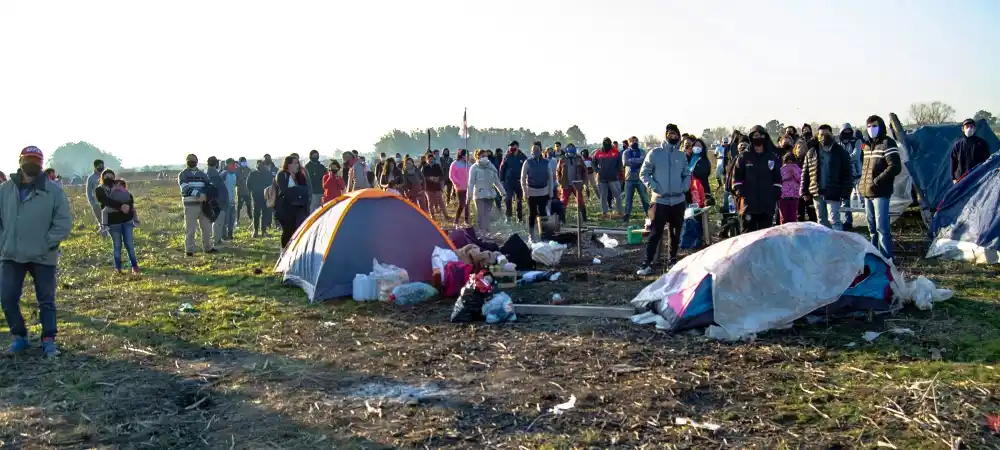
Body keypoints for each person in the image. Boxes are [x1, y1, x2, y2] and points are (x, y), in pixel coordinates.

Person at [0, 146, 72, 357]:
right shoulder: (5, 190)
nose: (31, 163)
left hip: (43, 255)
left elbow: (63, 223)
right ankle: (19, 337)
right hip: (11, 254)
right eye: (27, 159)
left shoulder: (54, 192)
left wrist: (45, 243)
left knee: (46, 301)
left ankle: (48, 340)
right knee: (7, 297)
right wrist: (3, 242)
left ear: (42, 164)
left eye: (36, 160)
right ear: (20, 161)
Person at [637, 124, 690, 275]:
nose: (674, 137)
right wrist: (655, 187)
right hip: (660, 201)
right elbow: (644, 173)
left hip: (678, 201)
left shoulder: (681, 156)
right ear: (666, 135)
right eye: (671, 134)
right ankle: (647, 263)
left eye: (676, 135)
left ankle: (672, 260)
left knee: (675, 233)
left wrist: (684, 187)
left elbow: (687, 174)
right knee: (655, 233)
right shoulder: (655, 153)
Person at [861, 115, 902, 262]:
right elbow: (866, 168)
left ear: (881, 127)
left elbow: (895, 166)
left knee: (882, 229)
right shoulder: (866, 146)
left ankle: (887, 260)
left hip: (881, 192)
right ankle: (874, 259)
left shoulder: (887, 143)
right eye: (869, 126)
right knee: (872, 229)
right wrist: (862, 184)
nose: (871, 129)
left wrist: (877, 181)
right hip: (867, 192)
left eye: (874, 126)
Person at [800, 124, 853, 230]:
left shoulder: (840, 152)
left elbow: (847, 173)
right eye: (821, 134)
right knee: (821, 222)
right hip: (817, 192)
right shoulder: (811, 152)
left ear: (832, 135)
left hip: (833, 192)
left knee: (835, 221)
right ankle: (824, 241)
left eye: (826, 134)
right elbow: (805, 172)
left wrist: (845, 192)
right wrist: (804, 191)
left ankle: (837, 241)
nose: (823, 137)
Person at [731, 125, 782, 232]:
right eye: (755, 135)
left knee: (765, 235)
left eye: (761, 135)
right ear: (751, 137)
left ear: (765, 137)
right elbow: (736, 180)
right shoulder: (743, 157)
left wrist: (774, 194)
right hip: (748, 206)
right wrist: (742, 193)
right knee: (748, 236)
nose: (758, 138)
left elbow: (777, 179)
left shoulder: (772, 157)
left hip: (767, 205)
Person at [95, 173, 140, 274]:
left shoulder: (120, 187)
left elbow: (130, 199)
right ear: (102, 178)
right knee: (117, 245)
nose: (109, 178)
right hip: (113, 223)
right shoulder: (100, 190)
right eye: (106, 177)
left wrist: (127, 206)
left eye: (111, 176)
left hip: (127, 221)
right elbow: (106, 201)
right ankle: (118, 268)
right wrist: (121, 206)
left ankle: (134, 266)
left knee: (129, 244)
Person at [178, 154, 216, 255]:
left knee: (207, 228)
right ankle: (189, 250)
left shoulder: (202, 174)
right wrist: (199, 194)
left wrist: (205, 194)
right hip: (190, 206)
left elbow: (209, 185)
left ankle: (208, 248)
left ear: (197, 161)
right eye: (189, 160)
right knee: (190, 229)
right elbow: (185, 188)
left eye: (193, 160)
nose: (191, 161)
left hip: (203, 205)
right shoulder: (183, 174)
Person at [520, 142, 554, 240]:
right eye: (533, 150)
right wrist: (524, 191)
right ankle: (531, 234)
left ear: (541, 150)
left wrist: (550, 192)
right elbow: (522, 178)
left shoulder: (546, 162)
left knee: (543, 213)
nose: (535, 151)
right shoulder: (527, 162)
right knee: (532, 214)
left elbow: (550, 178)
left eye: (537, 150)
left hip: (543, 192)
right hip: (531, 192)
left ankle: (544, 233)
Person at [274, 156, 310, 248]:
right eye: (295, 163)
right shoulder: (282, 175)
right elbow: (284, 190)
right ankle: (284, 250)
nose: (297, 165)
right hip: (285, 208)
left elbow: (306, 189)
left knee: (298, 231)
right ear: (288, 164)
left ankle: (295, 250)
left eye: (298, 163)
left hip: (299, 208)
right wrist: (296, 191)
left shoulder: (300, 175)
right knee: (287, 231)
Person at [468, 149, 506, 231]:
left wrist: (502, 192)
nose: (485, 157)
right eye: (483, 156)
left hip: (490, 195)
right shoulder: (474, 168)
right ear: (477, 157)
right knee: (481, 214)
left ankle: (486, 230)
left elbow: (496, 181)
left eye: (486, 156)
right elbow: (471, 182)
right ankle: (481, 231)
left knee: (487, 214)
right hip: (479, 195)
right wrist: (469, 195)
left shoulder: (491, 167)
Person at [838, 124, 863, 230]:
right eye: (845, 131)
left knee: (862, 197)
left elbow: (856, 155)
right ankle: (847, 222)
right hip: (845, 176)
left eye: (849, 131)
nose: (847, 133)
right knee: (845, 200)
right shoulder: (838, 144)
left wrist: (844, 159)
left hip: (857, 174)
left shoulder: (857, 141)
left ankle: (870, 219)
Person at [951, 118, 991, 183]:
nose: (969, 128)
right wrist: (953, 178)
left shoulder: (982, 143)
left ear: (975, 128)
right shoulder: (957, 145)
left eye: (971, 126)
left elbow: (987, 161)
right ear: (963, 129)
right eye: (967, 127)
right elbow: (953, 162)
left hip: (977, 179)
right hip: (960, 179)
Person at [556, 143, 588, 222]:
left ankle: (584, 219)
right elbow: (558, 171)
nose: (571, 150)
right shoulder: (562, 159)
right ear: (567, 150)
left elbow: (584, 170)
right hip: (566, 184)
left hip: (577, 183)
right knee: (563, 202)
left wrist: (583, 181)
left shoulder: (579, 158)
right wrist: (560, 181)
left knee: (580, 201)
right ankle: (562, 220)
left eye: (572, 148)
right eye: (570, 148)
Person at [621, 137, 650, 223]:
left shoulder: (642, 151)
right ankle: (627, 216)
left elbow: (644, 161)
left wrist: (632, 160)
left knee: (644, 198)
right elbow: (625, 162)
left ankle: (649, 215)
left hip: (640, 178)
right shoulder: (626, 152)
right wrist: (638, 160)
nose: (634, 142)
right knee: (628, 199)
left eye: (636, 141)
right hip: (629, 179)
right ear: (629, 143)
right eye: (632, 141)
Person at [594, 137, 623, 218]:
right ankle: (604, 213)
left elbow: (620, 163)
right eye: (605, 143)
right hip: (602, 178)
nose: (606, 145)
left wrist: (616, 171)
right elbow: (593, 163)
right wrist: (597, 170)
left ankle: (619, 212)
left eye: (608, 143)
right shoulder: (598, 152)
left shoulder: (615, 152)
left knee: (617, 196)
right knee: (603, 196)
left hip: (613, 178)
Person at [499, 141, 526, 223]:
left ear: (517, 146)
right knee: (508, 198)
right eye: (510, 146)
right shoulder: (507, 156)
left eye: (513, 146)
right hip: (509, 181)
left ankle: (519, 218)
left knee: (519, 200)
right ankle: (508, 217)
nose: (511, 148)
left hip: (519, 181)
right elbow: (502, 168)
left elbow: (526, 168)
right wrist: (502, 180)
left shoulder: (522, 156)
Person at [247, 160, 275, 238]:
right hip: (265, 196)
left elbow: (248, 184)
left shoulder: (252, 173)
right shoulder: (268, 174)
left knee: (256, 214)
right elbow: (271, 184)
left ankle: (255, 231)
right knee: (264, 214)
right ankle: (263, 231)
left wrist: (252, 191)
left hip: (256, 196)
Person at [421, 152, 450, 220]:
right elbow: (422, 177)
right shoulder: (424, 167)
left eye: (432, 159)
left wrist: (437, 178)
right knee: (430, 202)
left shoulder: (437, 166)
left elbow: (441, 176)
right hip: (428, 188)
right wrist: (429, 178)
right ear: (426, 160)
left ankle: (446, 215)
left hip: (437, 186)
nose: (430, 160)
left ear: (434, 159)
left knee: (440, 201)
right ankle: (432, 216)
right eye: (429, 159)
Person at [685, 138, 712, 206]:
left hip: (701, 189)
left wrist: (689, 174)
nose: (697, 147)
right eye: (695, 145)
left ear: (702, 148)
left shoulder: (704, 160)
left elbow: (703, 173)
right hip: (690, 190)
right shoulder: (690, 158)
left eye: (699, 145)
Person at [449, 149, 471, 227]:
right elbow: (451, 175)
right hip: (460, 188)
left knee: (467, 204)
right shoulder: (455, 164)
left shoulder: (469, 164)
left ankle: (466, 221)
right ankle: (456, 220)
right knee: (462, 204)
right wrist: (457, 183)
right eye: (467, 155)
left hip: (468, 187)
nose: (468, 157)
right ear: (462, 156)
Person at [778, 152, 802, 224]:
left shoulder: (797, 169)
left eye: (791, 161)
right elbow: (778, 180)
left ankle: (790, 230)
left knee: (791, 217)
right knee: (785, 217)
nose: (789, 163)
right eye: (788, 161)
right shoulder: (782, 169)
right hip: (784, 196)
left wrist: (794, 173)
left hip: (792, 195)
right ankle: (784, 230)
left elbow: (800, 179)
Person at [86, 159, 105, 230]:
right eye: (99, 166)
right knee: (101, 221)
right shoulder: (91, 178)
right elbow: (88, 192)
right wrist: (92, 203)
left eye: (102, 166)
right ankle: (103, 233)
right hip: (96, 203)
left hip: (107, 202)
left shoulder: (106, 176)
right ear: (95, 167)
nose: (101, 167)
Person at [235, 157, 253, 227]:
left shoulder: (249, 170)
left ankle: (251, 219)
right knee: (239, 207)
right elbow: (235, 181)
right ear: (239, 163)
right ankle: (237, 220)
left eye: (245, 161)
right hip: (240, 192)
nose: (244, 163)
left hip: (248, 192)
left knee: (249, 206)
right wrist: (239, 184)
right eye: (243, 162)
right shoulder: (237, 170)